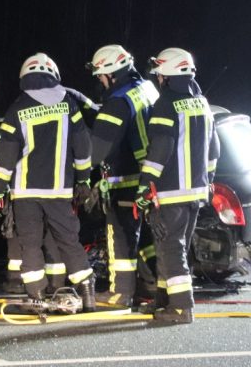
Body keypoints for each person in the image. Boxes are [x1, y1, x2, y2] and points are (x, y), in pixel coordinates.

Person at [0, 53, 96, 310]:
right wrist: (83, 179)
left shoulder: (17, 109)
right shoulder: (69, 105)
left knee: (30, 243)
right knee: (68, 240)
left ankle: (36, 297)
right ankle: (88, 295)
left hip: (25, 192)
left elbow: (5, 157)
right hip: (60, 189)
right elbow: (83, 146)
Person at [136, 47, 219, 324]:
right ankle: (165, 301)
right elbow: (214, 149)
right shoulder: (203, 102)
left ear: (167, 75)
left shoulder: (167, 103)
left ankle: (182, 307)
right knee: (174, 249)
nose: (158, 79)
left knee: (170, 247)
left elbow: (160, 148)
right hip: (196, 192)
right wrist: (207, 181)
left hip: (169, 192)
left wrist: (144, 186)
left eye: (159, 74)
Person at [85, 44, 159, 307]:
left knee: (121, 238)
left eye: (100, 76)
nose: (99, 81)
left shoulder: (118, 102)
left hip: (126, 180)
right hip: (150, 176)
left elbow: (98, 150)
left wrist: (79, 169)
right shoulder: (145, 88)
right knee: (146, 238)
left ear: (111, 74)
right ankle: (156, 284)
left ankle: (120, 294)